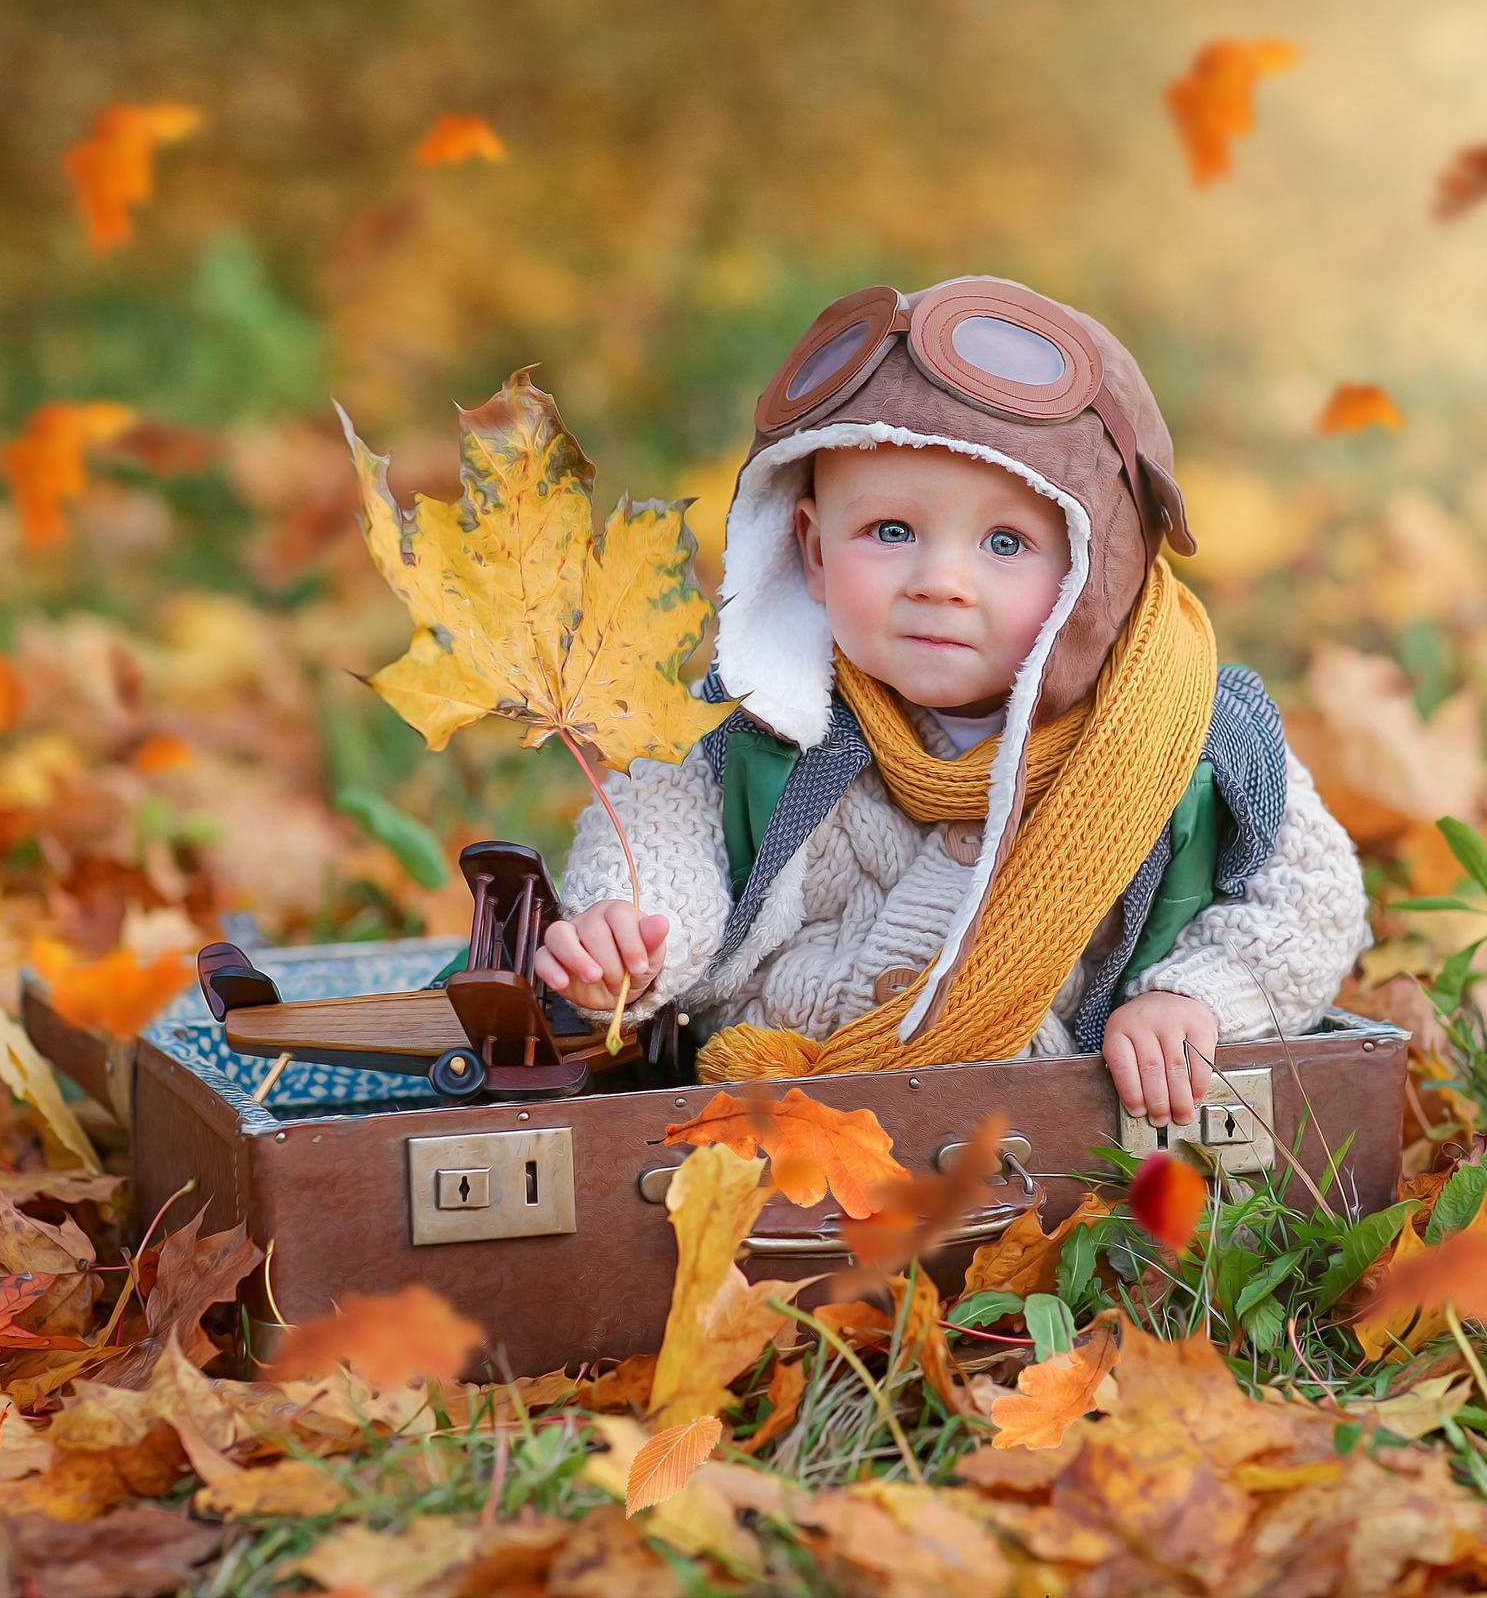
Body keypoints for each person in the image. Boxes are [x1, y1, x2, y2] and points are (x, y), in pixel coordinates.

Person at [533, 276, 1369, 1126]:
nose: (940, 582)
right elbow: (656, 817)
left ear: (1095, 575)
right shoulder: (761, 713)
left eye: (1006, 542)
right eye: (891, 531)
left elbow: (1313, 898)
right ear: (812, 551)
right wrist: (635, 931)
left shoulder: (1189, 739)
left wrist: (1193, 998)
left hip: (1047, 1138)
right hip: (761, 1110)